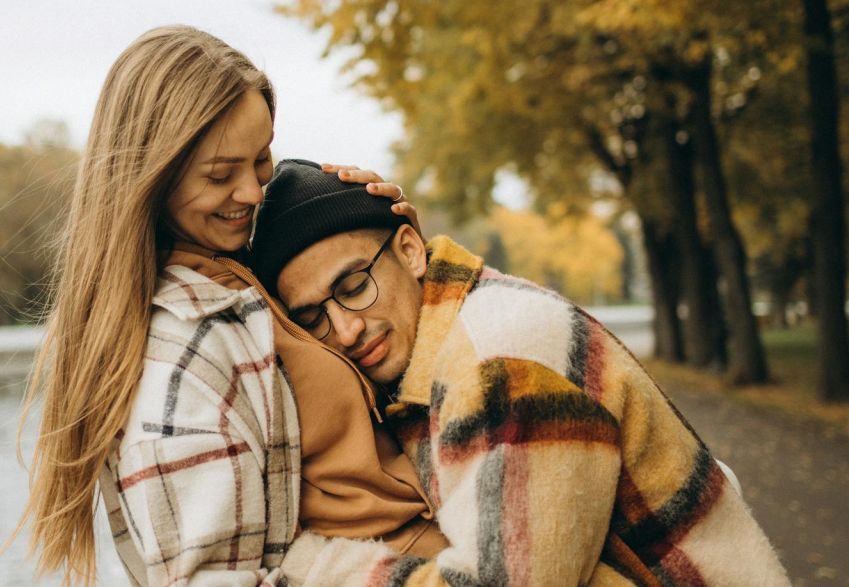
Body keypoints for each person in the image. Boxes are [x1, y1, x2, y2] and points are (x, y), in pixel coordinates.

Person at [10, 27, 446, 587]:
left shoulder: (241, 279)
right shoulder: (182, 351)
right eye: (220, 175)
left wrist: (393, 245)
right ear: (154, 177)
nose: (252, 191)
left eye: (261, 158)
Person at [250, 159, 792, 587]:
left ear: (411, 251)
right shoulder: (431, 348)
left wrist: (306, 563)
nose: (345, 331)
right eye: (313, 319)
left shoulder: (501, 362)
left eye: (353, 287)